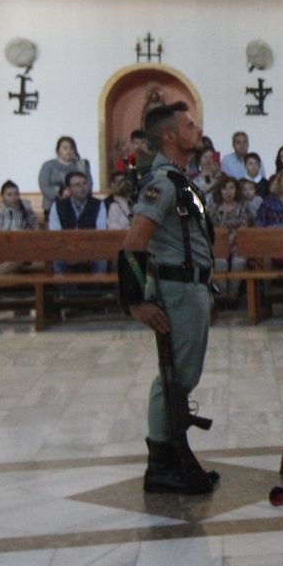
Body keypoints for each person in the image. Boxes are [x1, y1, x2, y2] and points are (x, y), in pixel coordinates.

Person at [120, 102, 219, 495]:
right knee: (174, 378)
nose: (197, 129)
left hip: (191, 288)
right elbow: (133, 244)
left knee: (182, 376)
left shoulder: (181, 180)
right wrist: (136, 302)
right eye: (189, 125)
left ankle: (174, 456)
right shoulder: (162, 182)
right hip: (177, 291)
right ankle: (161, 464)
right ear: (170, 136)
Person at [37, 135, 92, 213]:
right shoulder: (48, 165)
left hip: (78, 205)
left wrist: (74, 193)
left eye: (71, 148)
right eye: (65, 148)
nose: (69, 151)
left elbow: (88, 184)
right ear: (58, 150)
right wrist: (60, 193)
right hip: (53, 206)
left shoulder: (81, 165)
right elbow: (44, 186)